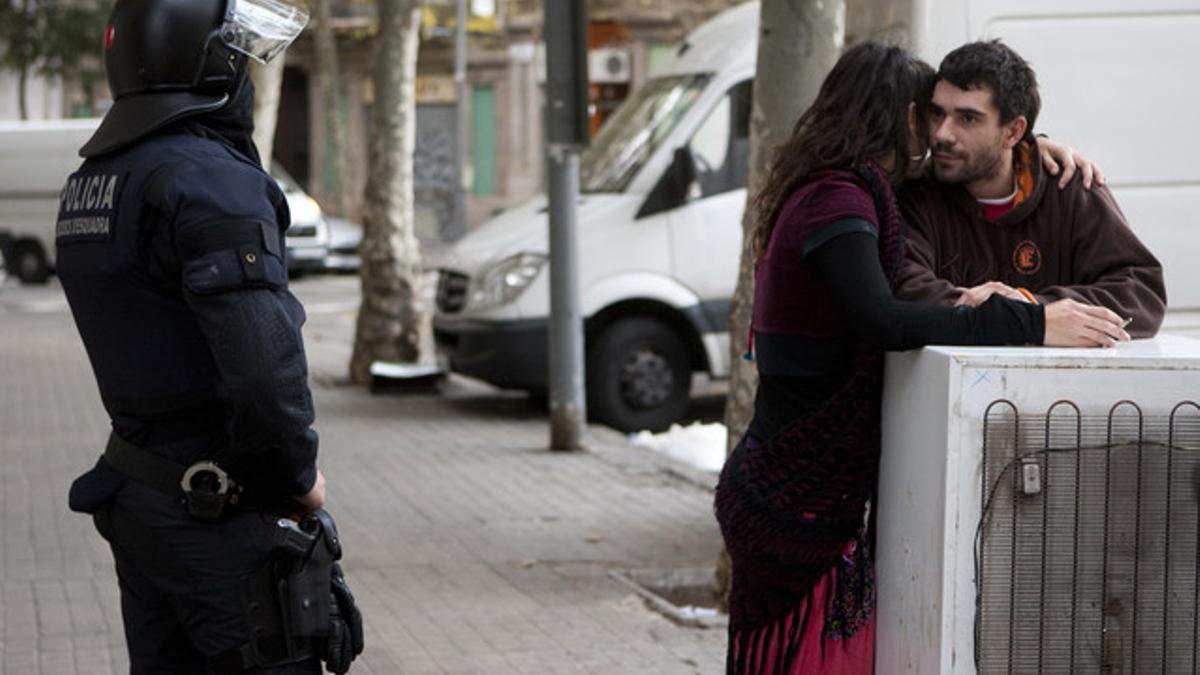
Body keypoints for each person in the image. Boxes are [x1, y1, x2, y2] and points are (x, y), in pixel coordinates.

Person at [712, 42, 1130, 674]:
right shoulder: (839, 200)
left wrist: (1033, 151)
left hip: (810, 493)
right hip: (793, 495)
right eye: (929, 115)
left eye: (960, 119)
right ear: (896, 114)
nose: (938, 133)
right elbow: (882, 318)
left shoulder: (847, 188)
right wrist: (1030, 320)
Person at [58, 0, 360, 672]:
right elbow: (262, 370)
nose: (247, 68)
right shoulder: (212, 181)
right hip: (220, 519)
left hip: (140, 496)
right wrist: (300, 474)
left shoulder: (94, 181)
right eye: (239, 51)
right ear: (207, 59)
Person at [896, 40, 1167, 336]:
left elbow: (1141, 291)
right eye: (937, 114)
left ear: (1013, 132)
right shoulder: (914, 193)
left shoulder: (1069, 188)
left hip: (1061, 382)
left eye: (968, 118)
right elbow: (902, 290)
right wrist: (1020, 317)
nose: (942, 134)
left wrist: (1035, 305)